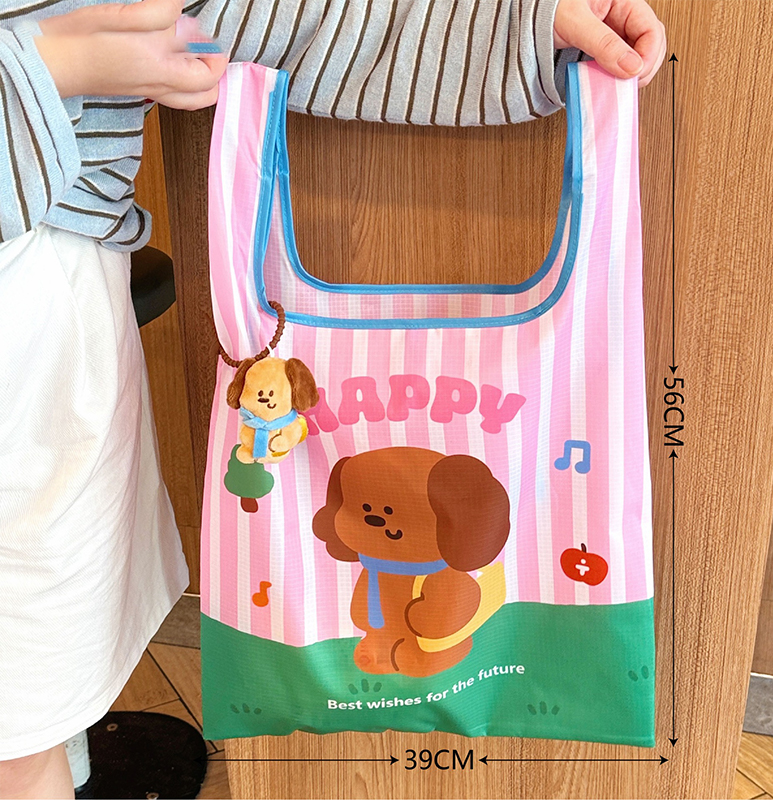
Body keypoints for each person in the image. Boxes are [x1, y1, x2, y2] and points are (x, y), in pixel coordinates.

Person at [0, 0, 665, 796]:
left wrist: (528, 29)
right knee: (23, 721)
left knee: (33, 703)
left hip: (54, 309)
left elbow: (271, 21)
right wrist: (54, 65)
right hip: (33, 308)